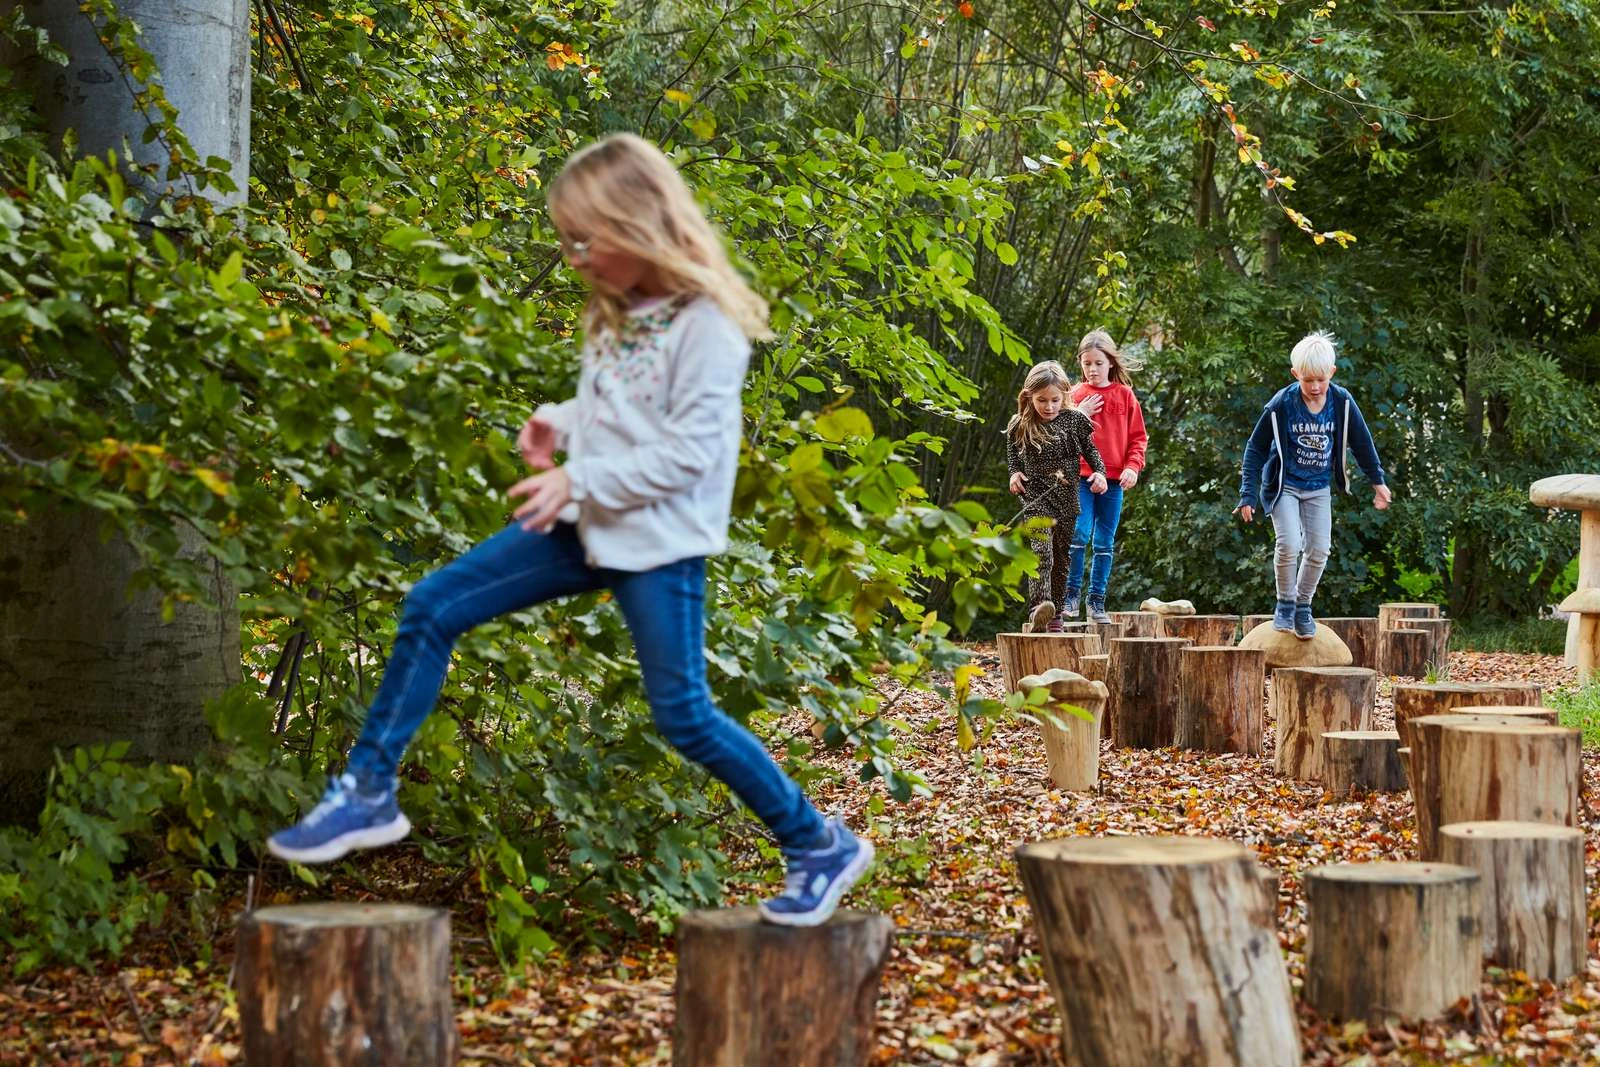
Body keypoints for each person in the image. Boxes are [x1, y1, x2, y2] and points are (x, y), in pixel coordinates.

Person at [267, 133, 873, 928]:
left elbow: (688, 453)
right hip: (586, 524)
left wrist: (576, 477)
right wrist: (557, 421)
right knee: (432, 606)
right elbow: (617, 412)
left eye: (588, 239)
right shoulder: (613, 317)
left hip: (658, 543)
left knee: (683, 715)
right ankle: (369, 789)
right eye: (567, 242)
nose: (577, 257)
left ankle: (818, 842)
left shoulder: (708, 328)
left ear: (642, 225)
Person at [1233, 331, 1391, 638]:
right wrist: (1247, 494)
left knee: (1319, 549)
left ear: (1332, 372)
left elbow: (1362, 442)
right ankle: (1285, 603)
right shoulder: (1282, 404)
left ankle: (1303, 605)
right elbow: (1255, 449)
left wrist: (1378, 481)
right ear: (1295, 375)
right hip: (1285, 486)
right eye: (1308, 380)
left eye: (1321, 379)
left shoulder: (1342, 401)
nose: (1315, 387)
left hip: (1318, 487)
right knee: (1290, 543)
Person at [1005, 360, 1107, 633]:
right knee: (1042, 555)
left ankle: (1056, 613)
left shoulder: (1074, 421)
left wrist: (1099, 473)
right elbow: (1013, 457)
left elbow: (1092, 452)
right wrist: (1014, 475)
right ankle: (1039, 608)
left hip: (1067, 500)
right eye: (1042, 401)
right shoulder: (1020, 424)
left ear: (1065, 396)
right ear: (1029, 397)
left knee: (1061, 558)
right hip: (1036, 500)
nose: (1049, 407)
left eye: (1054, 400)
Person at [1062, 330, 1148, 624]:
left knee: (1104, 542)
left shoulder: (1125, 395)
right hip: (1081, 478)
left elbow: (1138, 438)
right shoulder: (1073, 395)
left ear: (1110, 362)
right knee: (1079, 533)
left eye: (1098, 363)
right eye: (1087, 363)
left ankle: (1096, 600)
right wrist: (1078, 412)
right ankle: (1070, 595)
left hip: (1113, 480)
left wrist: (1132, 467)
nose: (1092, 369)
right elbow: (1059, 439)